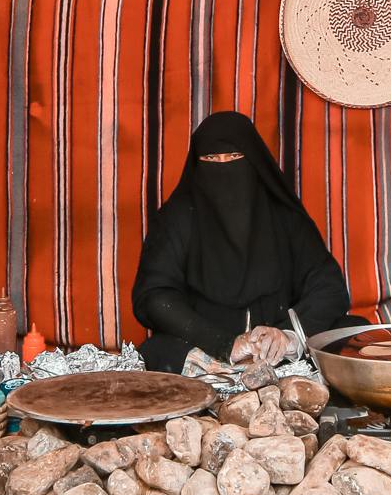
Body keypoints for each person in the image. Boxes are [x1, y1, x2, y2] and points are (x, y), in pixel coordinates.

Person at [133, 112, 354, 373]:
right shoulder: (178, 217)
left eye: (235, 158)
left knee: (348, 331)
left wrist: (287, 335)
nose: (224, 167)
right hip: (206, 349)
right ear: (197, 163)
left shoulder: (283, 216)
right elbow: (154, 296)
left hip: (279, 352)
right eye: (211, 159)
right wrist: (225, 344)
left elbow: (329, 286)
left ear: (253, 161)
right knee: (157, 351)